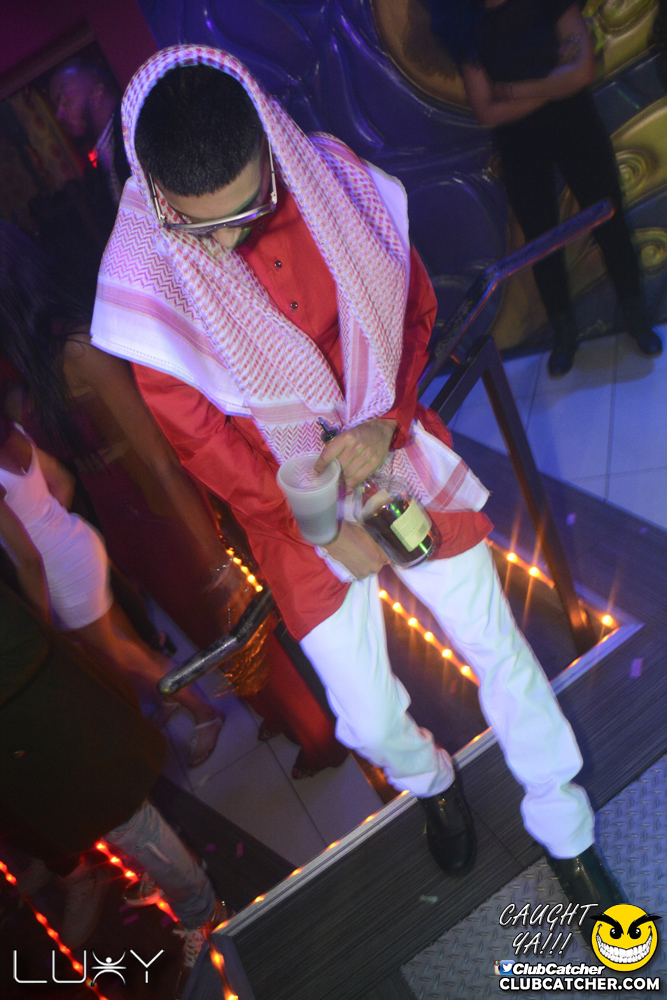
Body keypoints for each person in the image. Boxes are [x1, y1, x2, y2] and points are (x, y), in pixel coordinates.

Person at [90, 45, 624, 908]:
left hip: (394, 452)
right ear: (158, 195)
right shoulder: (143, 276)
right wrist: (321, 526)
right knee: (366, 718)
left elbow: (413, 308)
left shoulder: (334, 182)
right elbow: (203, 443)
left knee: (498, 646)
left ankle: (564, 825)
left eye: (243, 211)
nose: (221, 241)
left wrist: (385, 422)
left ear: (269, 146)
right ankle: (429, 779)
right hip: (292, 511)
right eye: (196, 225)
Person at [0, 221, 347, 778]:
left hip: (164, 513)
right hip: (124, 520)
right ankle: (278, 714)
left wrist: (212, 554)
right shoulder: (31, 370)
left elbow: (160, 459)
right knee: (207, 632)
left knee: (234, 620)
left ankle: (318, 736)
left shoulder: (78, 346)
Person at [0, 574, 229, 992]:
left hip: (58, 722)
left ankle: (205, 916)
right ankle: (173, 874)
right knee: (116, 824)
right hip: (33, 738)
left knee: (130, 823)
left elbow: (21, 644)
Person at [428, 0, 663, 375]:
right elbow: (487, 111)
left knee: (609, 220)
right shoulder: (464, 23)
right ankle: (564, 335)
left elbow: (583, 71)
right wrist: (556, 84)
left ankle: (637, 319)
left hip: (576, 125)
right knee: (542, 242)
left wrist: (511, 90)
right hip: (520, 146)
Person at [0, 412, 223, 768]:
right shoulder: (13, 432)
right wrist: (51, 525)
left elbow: (28, 560)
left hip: (62, 572)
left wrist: (41, 623)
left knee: (121, 656)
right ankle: (169, 696)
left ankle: (204, 713)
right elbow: (63, 481)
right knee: (127, 642)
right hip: (77, 541)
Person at [50, 54, 131, 206]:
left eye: (66, 99)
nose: (59, 115)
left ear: (97, 95)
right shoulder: (104, 160)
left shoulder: (135, 138)